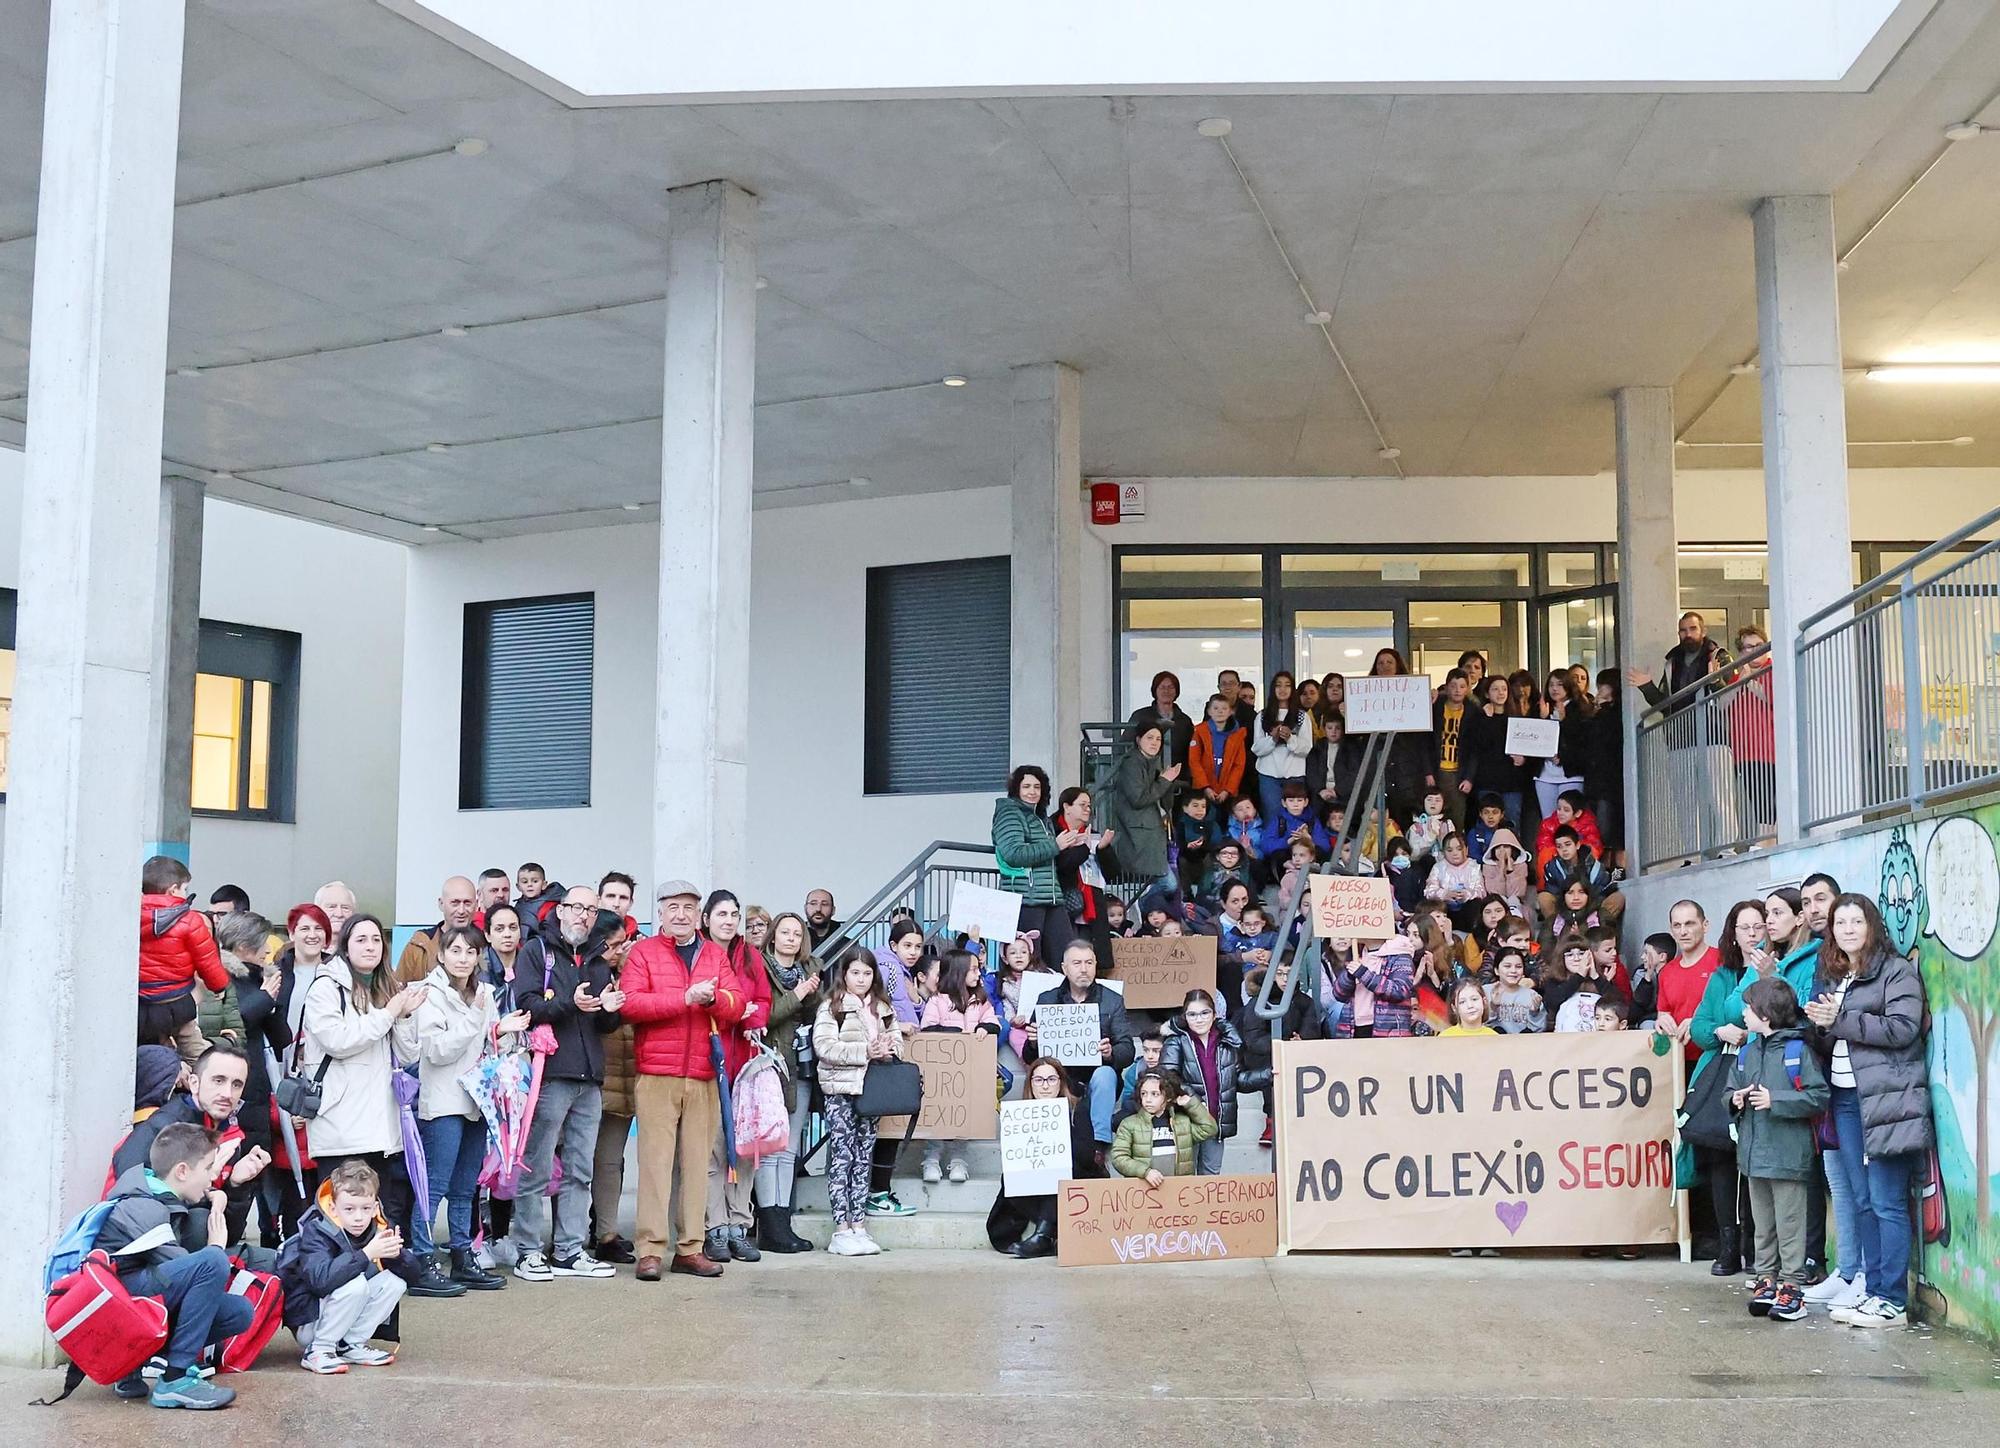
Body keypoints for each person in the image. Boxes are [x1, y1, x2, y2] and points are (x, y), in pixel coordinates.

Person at [300, 914, 450, 1295]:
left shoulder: (387, 988)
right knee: (338, 1216)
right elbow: (338, 1039)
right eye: (361, 939)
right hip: (341, 1124)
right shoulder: (326, 987)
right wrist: (389, 1013)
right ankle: (333, 1296)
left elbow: (407, 1050)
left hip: (381, 1126)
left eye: (376, 940)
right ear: (345, 946)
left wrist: (406, 1016)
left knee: (381, 1214)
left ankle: (377, 1297)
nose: (370, 946)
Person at [1808, 894, 1932, 1329]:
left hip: (1887, 1102)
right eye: (1839, 922)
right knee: (1862, 1200)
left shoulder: (1896, 972)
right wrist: (1818, 1026)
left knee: (1886, 1201)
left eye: (1855, 921)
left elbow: (1902, 1029)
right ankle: (1872, 1289)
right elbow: (1835, 1039)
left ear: (1872, 926)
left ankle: (1892, 1300)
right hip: (1845, 1098)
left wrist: (1837, 1020)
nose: (1846, 929)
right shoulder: (1839, 975)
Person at [620, 880, 746, 1282]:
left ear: (699, 915)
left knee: (697, 1164)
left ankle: (690, 1248)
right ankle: (651, 1250)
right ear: (660, 913)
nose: (680, 914)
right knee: (655, 1165)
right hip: (657, 1074)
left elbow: (738, 1003)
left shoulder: (713, 954)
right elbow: (632, 1004)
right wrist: (685, 999)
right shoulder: (643, 952)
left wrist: (714, 1001)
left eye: (688, 907)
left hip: (704, 1074)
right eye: (672, 907)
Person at [393, 923, 519, 1291]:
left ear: (480, 955)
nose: (464, 958)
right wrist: (477, 1020)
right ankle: (422, 1260)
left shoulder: (484, 992)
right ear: (442, 954)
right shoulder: (427, 993)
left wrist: (504, 1032)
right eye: (456, 951)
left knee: (466, 1187)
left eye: (471, 951)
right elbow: (437, 1050)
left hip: (480, 1101)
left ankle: (464, 1256)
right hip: (444, 1100)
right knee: (433, 1186)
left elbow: (490, 1045)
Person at [508, 888, 626, 1282]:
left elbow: (601, 1023)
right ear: (560, 911)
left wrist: (610, 1012)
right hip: (551, 1074)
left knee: (579, 1170)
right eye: (577, 908)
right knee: (537, 1167)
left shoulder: (596, 960)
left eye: (591, 910)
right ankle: (526, 1249)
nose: (584, 916)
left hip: (589, 1077)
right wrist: (568, 1004)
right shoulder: (537, 952)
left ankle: (569, 1250)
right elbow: (525, 1005)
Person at [96, 1122, 249, 1408]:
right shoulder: (146, 1206)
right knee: (213, 1261)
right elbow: (192, 1272)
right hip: (116, 1313)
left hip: (126, 1302)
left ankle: (131, 1365)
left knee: (238, 1312)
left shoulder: (158, 1196)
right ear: (182, 1171)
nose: (212, 1177)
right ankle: (176, 1379)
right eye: (207, 1168)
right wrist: (216, 1246)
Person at [1729, 978, 1828, 1323]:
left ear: (1765, 1015)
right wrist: (1735, 1099)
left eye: (1748, 1007)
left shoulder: (1797, 1051)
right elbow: (1730, 1089)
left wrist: (1777, 1100)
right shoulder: (1747, 1052)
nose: (1743, 1012)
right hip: (1754, 1155)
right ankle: (1766, 1279)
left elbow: (1818, 1097)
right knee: (1763, 1225)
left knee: (1790, 1224)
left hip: (1788, 1155)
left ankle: (1793, 1287)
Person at [110, 1042, 270, 1251]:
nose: (228, 1093)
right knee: (200, 1222)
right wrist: (206, 1192)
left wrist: (237, 1185)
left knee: (268, 1260)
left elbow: (228, 1235)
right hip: (137, 1249)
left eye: (236, 1084)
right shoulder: (165, 1126)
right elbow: (130, 1191)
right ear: (194, 1083)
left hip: (189, 1248)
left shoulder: (230, 1136)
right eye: (218, 1080)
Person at [279, 1158, 417, 1375]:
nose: (358, 1217)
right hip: (311, 1320)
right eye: (349, 1209)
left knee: (394, 1282)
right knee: (355, 1284)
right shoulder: (316, 1230)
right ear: (333, 1208)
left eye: (365, 1208)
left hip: (342, 1314)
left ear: (375, 1207)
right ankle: (319, 1350)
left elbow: (415, 1276)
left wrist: (397, 1255)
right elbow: (319, 1281)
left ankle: (351, 1345)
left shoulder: (377, 1226)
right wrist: (367, 1254)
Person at [814, 945, 905, 1257]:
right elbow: (824, 1047)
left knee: (864, 1157)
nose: (862, 978)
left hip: (873, 1091)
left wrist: (889, 1049)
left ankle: (859, 1225)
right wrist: (865, 1052)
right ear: (844, 974)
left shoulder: (882, 1006)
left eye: (867, 973)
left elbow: (898, 1041)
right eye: (856, 972)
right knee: (843, 1158)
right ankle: (841, 1228)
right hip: (841, 1091)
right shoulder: (832, 1006)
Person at [701, 889, 772, 1263]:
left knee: (743, 1148)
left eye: (734, 915)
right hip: (708, 1064)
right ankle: (714, 1227)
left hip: (743, 1064)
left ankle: (739, 1226)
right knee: (712, 1149)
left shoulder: (750, 956)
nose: (729, 921)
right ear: (707, 918)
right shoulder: (698, 955)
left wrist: (752, 1020)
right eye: (721, 914)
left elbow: (761, 999)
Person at [1025, 940, 1136, 1157]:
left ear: (1096, 965)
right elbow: (1030, 1057)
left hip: (1096, 1075)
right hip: (1060, 1075)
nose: (1084, 969)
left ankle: (1099, 1146)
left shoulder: (1112, 1001)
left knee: (1105, 1074)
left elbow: (1128, 1050)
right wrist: (1033, 1042)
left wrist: (1110, 1052)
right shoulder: (1047, 1000)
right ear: (1064, 968)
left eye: (1089, 962)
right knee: (1044, 1074)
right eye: (1076, 963)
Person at [754, 911, 821, 1253]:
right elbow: (764, 1017)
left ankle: (784, 1222)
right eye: (785, 932)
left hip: (802, 1066)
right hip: (770, 1065)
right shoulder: (760, 967)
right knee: (770, 1148)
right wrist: (797, 994)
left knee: (789, 1148)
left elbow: (816, 1017)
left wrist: (814, 996)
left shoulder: (811, 969)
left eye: (797, 933)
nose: (792, 938)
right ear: (773, 936)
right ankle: (769, 1224)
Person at [989, 1057, 1101, 1259]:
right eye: (1039, 1080)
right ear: (1030, 1083)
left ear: (1061, 1082)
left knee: (1056, 1173)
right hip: (1036, 1179)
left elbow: (1086, 1156)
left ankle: (1044, 1235)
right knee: (1011, 1178)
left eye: (1051, 1079)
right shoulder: (1021, 1115)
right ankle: (1049, 1232)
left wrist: (1056, 1145)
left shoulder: (1077, 1109)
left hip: (1074, 1176)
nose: (1045, 1086)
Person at [139, 854, 232, 1061]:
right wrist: (219, 987)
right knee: (194, 1050)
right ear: (173, 890)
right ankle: (199, 1081)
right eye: (184, 889)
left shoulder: (129, 916)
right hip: (176, 1000)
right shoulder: (189, 920)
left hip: (141, 1001)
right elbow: (207, 960)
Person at [919, 949, 1002, 1182]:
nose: (978, 974)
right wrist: (958, 1034)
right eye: (973, 969)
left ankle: (958, 1160)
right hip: (942, 1073)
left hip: (971, 1071)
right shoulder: (937, 1001)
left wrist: (984, 1028)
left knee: (964, 1116)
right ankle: (932, 1158)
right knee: (938, 1115)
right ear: (958, 972)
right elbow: (928, 1029)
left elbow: (994, 1023)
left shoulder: (981, 1000)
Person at [588, 899, 639, 1266]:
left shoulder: (632, 972)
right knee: (575, 1162)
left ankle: (607, 1232)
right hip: (591, 1077)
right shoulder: (585, 973)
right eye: (615, 944)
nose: (621, 950)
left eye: (624, 944)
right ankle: (572, 1233)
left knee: (610, 1161)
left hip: (626, 1080)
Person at [1158, 990, 1251, 1175]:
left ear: (1214, 1015)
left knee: (1211, 1179)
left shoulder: (1226, 1043)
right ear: (1185, 1017)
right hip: (1186, 1121)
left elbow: (1237, 1080)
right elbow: (1169, 1078)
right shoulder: (1176, 1041)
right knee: (1184, 1177)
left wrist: (1268, 1074)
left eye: (1204, 1013)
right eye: (1192, 1014)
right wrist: (1195, 1103)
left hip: (1215, 1122)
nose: (1199, 1019)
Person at [991, 764, 1077, 960]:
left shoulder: (1040, 817)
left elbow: (1045, 854)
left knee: (1066, 958)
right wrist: (1055, 846)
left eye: (1037, 787)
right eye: (1026, 786)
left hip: (1050, 897)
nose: (1032, 792)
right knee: (1030, 962)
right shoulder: (1009, 813)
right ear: (1016, 789)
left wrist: (1071, 845)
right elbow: (1014, 853)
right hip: (1025, 899)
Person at [1099, 720, 1179, 894]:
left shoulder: (1152, 762)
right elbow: (1138, 798)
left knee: (1168, 884)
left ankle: (1145, 905)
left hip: (1150, 834)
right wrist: (1165, 780)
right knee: (1168, 884)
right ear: (1138, 740)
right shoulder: (1132, 763)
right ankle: (1144, 903)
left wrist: (1167, 781)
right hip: (1138, 836)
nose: (1154, 742)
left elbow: (1164, 801)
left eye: (1158, 739)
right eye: (1149, 737)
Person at [1110, 1070, 1216, 1182]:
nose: (1148, 1099)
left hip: (1179, 1190)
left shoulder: (1182, 1123)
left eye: (1155, 1094)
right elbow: (1119, 1157)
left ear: (1169, 1097)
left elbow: (1210, 1129)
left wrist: (1190, 1104)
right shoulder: (1129, 1124)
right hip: (1144, 1190)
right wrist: (1145, 1172)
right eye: (1143, 1094)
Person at [1628, 611, 1730, 720]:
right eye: (1683, 630)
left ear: (1703, 632)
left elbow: (1730, 698)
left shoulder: (1719, 657)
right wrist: (1647, 687)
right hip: (1679, 731)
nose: (1688, 634)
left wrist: (1716, 682)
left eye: (1693, 628)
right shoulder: (1672, 663)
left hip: (1711, 730)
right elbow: (1665, 706)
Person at [1328, 931, 1417, 1039]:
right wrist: (1349, 977)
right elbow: (1338, 994)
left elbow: (1399, 991)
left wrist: (1364, 974)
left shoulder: (1400, 956)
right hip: (1353, 1027)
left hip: (1386, 1030)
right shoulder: (1356, 953)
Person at [1252, 670, 1312, 825]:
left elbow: (1306, 748)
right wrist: (1273, 739)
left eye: (1287, 685)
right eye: (1278, 685)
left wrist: (1290, 738)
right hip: (1268, 775)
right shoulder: (1262, 716)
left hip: (1294, 774)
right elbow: (1257, 748)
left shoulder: (1302, 716)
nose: (1283, 689)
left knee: (1295, 818)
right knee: (1272, 817)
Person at [395, 876, 478, 985]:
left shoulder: (485, 945)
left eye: (467, 903)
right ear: (441, 904)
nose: (461, 910)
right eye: (455, 903)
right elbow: (399, 990)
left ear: (476, 905)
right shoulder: (420, 945)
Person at [1127, 669, 1197, 773]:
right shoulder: (1140, 716)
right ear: (1155, 690)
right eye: (1162, 687)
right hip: (1144, 776)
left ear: (1176, 691)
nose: (1166, 691)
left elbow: (1191, 752)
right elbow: (1125, 746)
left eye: (1171, 687)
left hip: (1177, 779)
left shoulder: (1184, 720)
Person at [1431, 668, 1474, 827]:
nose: (1457, 690)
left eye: (1462, 686)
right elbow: (1426, 743)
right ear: (1446, 687)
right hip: (1438, 770)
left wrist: (1469, 777)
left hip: (1459, 774)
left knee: (1457, 817)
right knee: (1434, 817)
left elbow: (1474, 750)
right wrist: (1428, 772)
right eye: (1453, 685)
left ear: (1468, 689)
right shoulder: (1435, 708)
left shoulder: (1472, 712)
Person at [1189, 692, 1248, 802]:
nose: (1220, 711)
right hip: (1204, 790)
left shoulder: (1238, 735)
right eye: (1215, 708)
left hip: (1227, 792)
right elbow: (1194, 761)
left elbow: (1238, 765)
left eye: (1224, 708)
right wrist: (1205, 786)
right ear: (1209, 711)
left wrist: (1228, 790)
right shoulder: (1199, 732)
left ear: (1231, 712)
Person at [1485, 949, 1546, 1035]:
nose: (1513, 971)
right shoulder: (1484, 992)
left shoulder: (1531, 995)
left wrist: (1534, 1013)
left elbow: (1540, 1029)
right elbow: (1480, 1026)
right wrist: (1493, 1007)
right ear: (1496, 970)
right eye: (1507, 966)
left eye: (1518, 967)